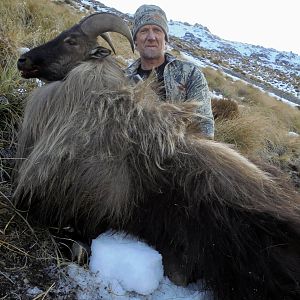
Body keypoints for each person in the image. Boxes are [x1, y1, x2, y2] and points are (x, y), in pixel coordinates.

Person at [125, 4, 214, 139]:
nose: (151, 37)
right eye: (143, 31)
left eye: (157, 30)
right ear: (135, 40)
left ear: (165, 39)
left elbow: (204, 128)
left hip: (182, 154)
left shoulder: (190, 73)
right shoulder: (123, 80)